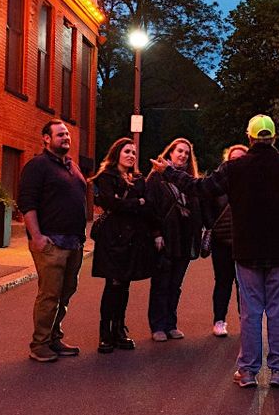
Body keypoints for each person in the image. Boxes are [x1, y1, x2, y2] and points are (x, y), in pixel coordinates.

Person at [151, 115, 279, 389]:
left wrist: (169, 172)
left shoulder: (234, 167)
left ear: (249, 137)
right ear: (273, 137)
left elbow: (200, 187)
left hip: (246, 249)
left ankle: (247, 371)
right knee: (278, 311)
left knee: (250, 312)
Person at [18, 119, 89, 363]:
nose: (66, 138)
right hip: (51, 243)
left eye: (67, 134)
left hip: (73, 243)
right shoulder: (37, 166)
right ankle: (39, 344)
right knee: (49, 296)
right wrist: (37, 237)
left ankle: (54, 337)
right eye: (60, 135)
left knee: (65, 293)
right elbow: (27, 203)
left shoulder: (72, 166)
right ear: (46, 139)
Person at [90, 138, 162, 354]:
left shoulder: (138, 179)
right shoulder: (106, 177)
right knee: (113, 284)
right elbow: (110, 203)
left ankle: (119, 329)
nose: (131, 155)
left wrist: (134, 205)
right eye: (127, 151)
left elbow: (148, 206)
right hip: (112, 239)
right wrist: (136, 202)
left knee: (125, 285)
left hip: (133, 239)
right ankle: (105, 333)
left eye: (133, 152)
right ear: (117, 153)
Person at [145, 138, 204, 343]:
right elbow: (150, 208)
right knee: (161, 283)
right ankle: (157, 325)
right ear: (170, 152)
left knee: (175, 285)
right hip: (165, 238)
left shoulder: (189, 180)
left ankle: (171, 324)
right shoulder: (157, 178)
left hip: (185, 239)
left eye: (186, 153)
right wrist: (156, 233)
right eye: (179, 151)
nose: (183, 155)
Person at [209, 144, 247, 337]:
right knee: (223, 282)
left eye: (241, 158)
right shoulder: (218, 185)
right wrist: (212, 225)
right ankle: (219, 320)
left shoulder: (253, 184)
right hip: (221, 241)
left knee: (245, 285)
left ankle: (245, 321)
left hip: (245, 241)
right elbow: (207, 206)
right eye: (233, 159)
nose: (236, 162)